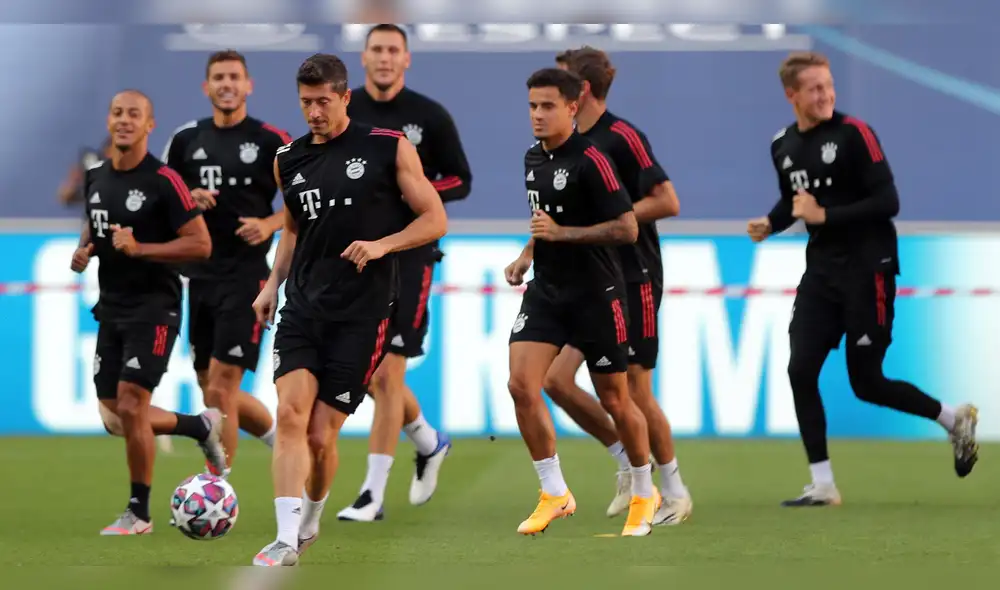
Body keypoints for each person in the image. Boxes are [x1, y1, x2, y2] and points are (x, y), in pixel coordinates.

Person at [747, 51, 980, 506]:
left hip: (869, 269)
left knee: (867, 382)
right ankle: (823, 485)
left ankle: (954, 420)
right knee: (800, 370)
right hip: (821, 273)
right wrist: (770, 224)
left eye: (829, 85)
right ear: (791, 95)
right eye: (815, 88)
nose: (826, 95)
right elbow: (794, 201)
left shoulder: (855, 134)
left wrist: (825, 215)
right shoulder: (782, 144)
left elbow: (888, 200)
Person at [250, 53, 447, 566]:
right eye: (305, 103)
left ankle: (311, 517)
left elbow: (434, 219)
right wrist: (273, 283)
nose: (313, 112)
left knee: (320, 436)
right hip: (303, 309)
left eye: (322, 102)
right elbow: (293, 228)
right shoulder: (288, 159)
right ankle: (286, 537)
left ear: (344, 97)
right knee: (290, 414)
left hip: (363, 315)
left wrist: (383, 245)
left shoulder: (388, 148)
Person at [505, 67, 661, 537]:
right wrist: (527, 253)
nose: (537, 114)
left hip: (598, 294)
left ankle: (643, 490)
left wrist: (563, 235)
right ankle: (554, 493)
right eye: (532, 105)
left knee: (617, 398)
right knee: (521, 385)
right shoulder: (532, 158)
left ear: (573, 107)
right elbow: (545, 220)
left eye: (548, 105)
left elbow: (627, 228)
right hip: (548, 292)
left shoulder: (593, 160)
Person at [73, 89, 228, 535]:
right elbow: (94, 222)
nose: (124, 120)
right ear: (109, 120)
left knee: (132, 402)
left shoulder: (164, 180)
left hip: (155, 308)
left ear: (149, 126)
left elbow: (201, 243)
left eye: (134, 114)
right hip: (112, 308)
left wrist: (141, 248)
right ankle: (198, 426)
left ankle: (139, 513)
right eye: (117, 112)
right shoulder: (96, 176)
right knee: (113, 415)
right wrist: (85, 250)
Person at [547, 47, 691, 525]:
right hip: (589, 279)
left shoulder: (622, 136)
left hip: (634, 276)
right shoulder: (566, 145)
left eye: (560, 84)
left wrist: (614, 214)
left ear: (580, 91)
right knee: (555, 381)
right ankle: (628, 461)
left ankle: (673, 490)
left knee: (635, 389)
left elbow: (667, 200)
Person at [337, 23, 472, 520]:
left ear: (407, 59)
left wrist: (412, 194)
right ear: (364, 56)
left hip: (411, 255)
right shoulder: (343, 107)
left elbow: (461, 178)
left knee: (388, 370)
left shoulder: (428, 116)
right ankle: (428, 440)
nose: (385, 58)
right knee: (371, 373)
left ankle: (372, 495)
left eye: (394, 50)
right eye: (377, 49)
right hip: (355, 253)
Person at [161, 49, 290, 474]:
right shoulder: (185, 141)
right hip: (200, 278)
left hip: (249, 277)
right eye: (219, 77)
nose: (227, 84)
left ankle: (219, 489)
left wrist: (269, 223)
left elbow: (305, 202)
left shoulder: (271, 140)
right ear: (207, 87)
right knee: (211, 390)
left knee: (222, 386)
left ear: (248, 85)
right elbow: (165, 205)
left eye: (235, 76)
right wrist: (188, 202)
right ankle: (280, 440)